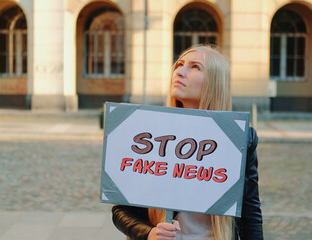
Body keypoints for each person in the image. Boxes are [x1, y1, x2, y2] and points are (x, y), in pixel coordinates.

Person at [112, 44, 263, 240]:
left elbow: (250, 212)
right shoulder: (150, 133)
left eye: (195, 67)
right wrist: (149, 233)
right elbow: (120, 209)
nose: (180, 72)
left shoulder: (240, 139)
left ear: (214, 82)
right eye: (179, 64)